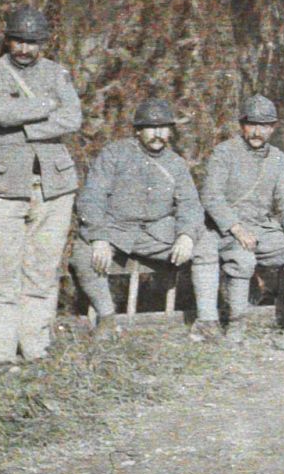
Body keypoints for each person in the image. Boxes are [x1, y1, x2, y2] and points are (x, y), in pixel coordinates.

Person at [0, 5, 83, 371]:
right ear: (7, 40)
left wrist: (28, 122)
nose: (24, 49)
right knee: (0, 273)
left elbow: (74, 117)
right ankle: (0, 355)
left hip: (54, 185)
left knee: (42, 270)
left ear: (43, 44)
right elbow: (0, 113)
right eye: (18, 41)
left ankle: (36, 348)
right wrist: (49, 104)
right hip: (4, 184)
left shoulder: (56, 71)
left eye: (32, 42)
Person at [73, 98, 207, 340]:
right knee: (83, 254)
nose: (158, 134)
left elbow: (190, 204)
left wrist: (186, 235)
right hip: (116, 229)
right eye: (150, 128)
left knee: (206, 245)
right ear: (137, 131)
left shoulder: (175, 164)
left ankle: (207, 320)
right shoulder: (115, 154)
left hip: (157, 231)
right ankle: (107, 317)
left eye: (163, 128)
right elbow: (91, 197)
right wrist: (99, 237)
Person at [194, 94, 284, 348]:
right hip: (228, 229)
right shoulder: (224, 152)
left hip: (262, 228)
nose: (258, 131)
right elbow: (211, 196)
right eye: (252, 124)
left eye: (265, 125)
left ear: (273, 128)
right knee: (243, 259)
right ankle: (236, 325)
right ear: (242, 125)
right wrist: (236, 229)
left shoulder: (277, 157)